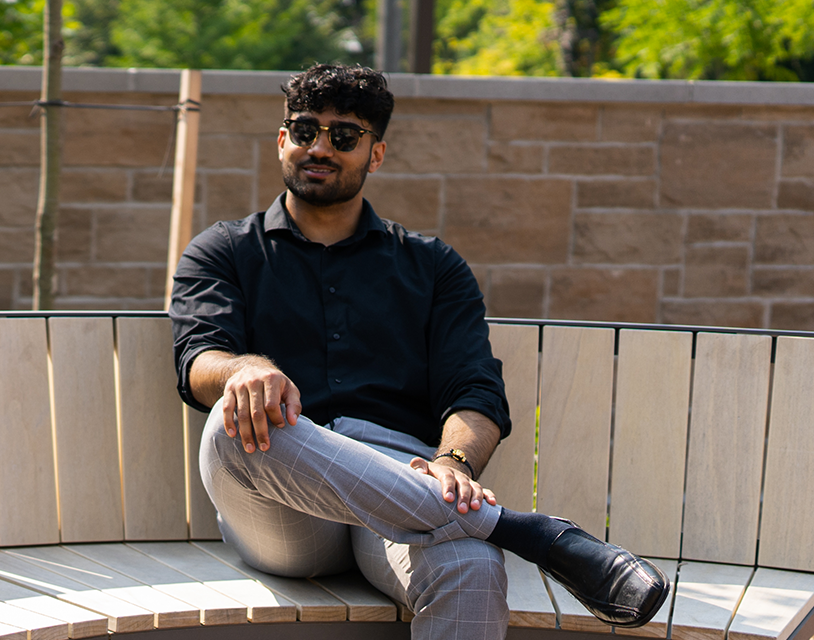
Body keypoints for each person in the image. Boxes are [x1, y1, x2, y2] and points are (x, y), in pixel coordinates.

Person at [168, 63, 668, 640]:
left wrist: (452, 464)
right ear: (283, 140)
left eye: (344, 136)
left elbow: (474, 392)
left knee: (474, 567)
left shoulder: (433, 267)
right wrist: (248, 370)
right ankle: (523, 531)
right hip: (283, 506)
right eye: (305, 131)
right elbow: (200, 357)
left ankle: (490, 531)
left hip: (402, 476)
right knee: (235, 422)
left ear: (374, 154)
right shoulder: (222, 250)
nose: (320, 147)